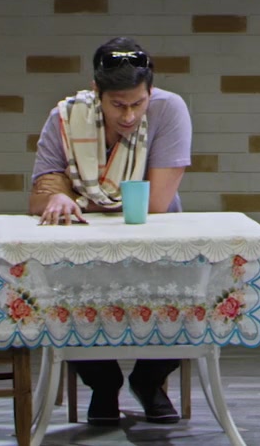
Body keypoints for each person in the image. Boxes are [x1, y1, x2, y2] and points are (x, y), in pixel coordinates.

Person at [29, 37, 193, 426]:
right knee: (63, 298)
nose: (130, 116)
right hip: (86, 248)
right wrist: (57, 196)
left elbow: (155, 203)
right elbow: (40, 196)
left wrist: (75, 194)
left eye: (138, 103)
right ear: (96, 93)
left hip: (154, 244)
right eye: (118, 105)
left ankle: (148, 382)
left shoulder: (169, 110)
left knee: (193, 296)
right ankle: (103, 385)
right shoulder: (67, 117)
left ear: (151, 91)